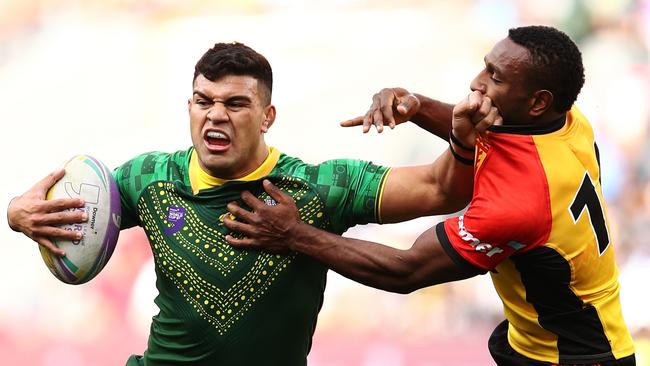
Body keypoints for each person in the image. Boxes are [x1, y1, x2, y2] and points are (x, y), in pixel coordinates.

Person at [6, 42, 499, 365]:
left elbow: (442, 190)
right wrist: (17, 214)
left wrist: (458, 136)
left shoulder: (318, 187)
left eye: (235, 104)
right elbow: (71, 213)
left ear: (267, 116)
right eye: (203, 101)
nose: (215, 115)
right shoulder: (148, 177)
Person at [223, 26, 636, 365]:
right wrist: (417, 107)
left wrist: (295, 235)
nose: (476, 83)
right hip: (551, 342)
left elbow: (406, 271)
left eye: (495, 77)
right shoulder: (568, 122)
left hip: (572, 359)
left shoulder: (516, 206)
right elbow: (494, 135)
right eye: (485, 67)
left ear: (537, 101)